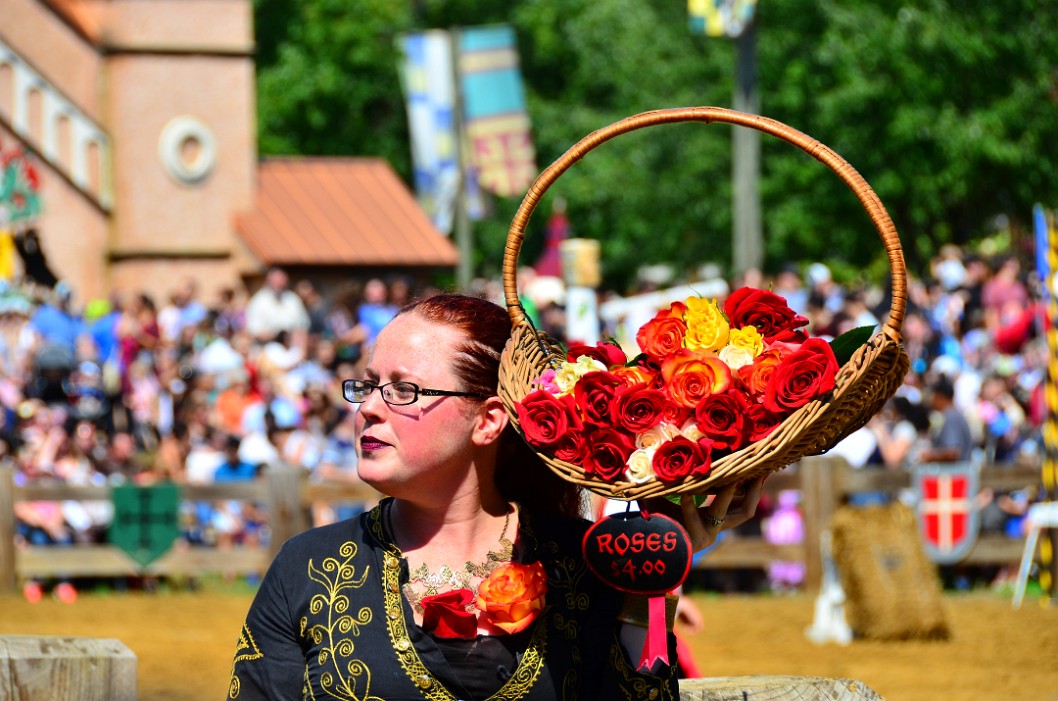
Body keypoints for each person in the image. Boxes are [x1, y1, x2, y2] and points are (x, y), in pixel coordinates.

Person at [227, 293, 764, 700]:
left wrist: (654, 585)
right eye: (368, 385)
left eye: (404, 390)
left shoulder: (586, 563)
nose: (368, 407)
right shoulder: (308, 568)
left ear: (487, 421)